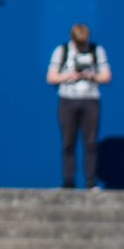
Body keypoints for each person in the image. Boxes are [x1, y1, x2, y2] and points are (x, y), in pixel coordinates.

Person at [46, 24, 112, 190]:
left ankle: (91, 183)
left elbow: (107, 76)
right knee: (68, 142)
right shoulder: (62, 51)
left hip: (90, 100)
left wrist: (91, 75)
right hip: (68, 100)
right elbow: (51, 77)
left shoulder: (97, 50)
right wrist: (69, 75)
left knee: (90, 142)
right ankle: (68, 182)